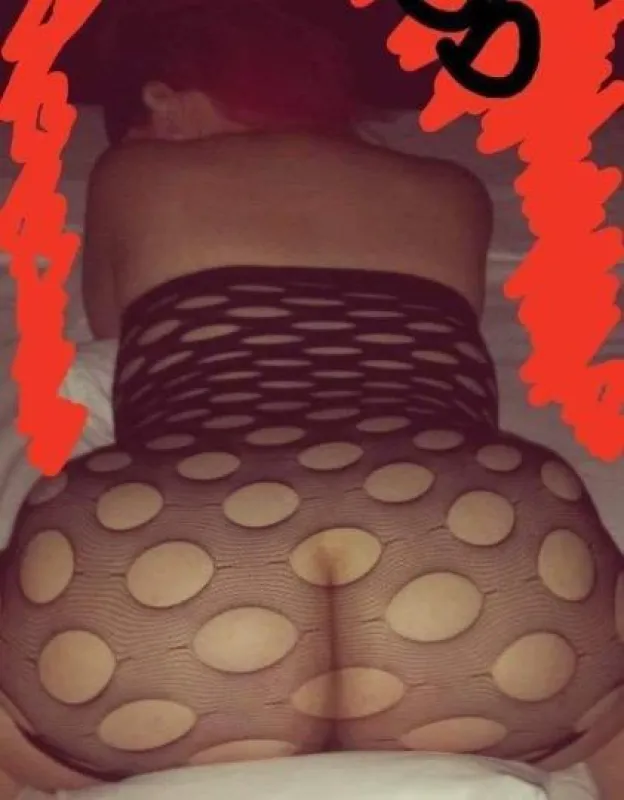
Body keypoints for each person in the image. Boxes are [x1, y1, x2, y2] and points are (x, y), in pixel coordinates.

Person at [0, 0, 622, 796]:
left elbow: (119, 337)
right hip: (470, 542)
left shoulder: (138, 171)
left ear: (163, 101)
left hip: (166, 559)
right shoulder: (453, 188)